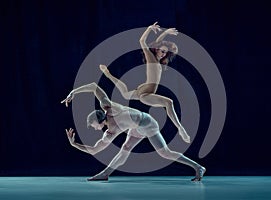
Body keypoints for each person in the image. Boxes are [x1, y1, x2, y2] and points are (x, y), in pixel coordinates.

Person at [61, 82, 206, 181]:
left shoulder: (109, 108)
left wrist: (73, 92)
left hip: (147, 123)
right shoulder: (110, 132)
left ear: (101, 121)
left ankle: (198, 167)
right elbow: (94, 150)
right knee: (125, 147)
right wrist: (74, 144)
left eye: (93, 125)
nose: (93, 128)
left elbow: (93, 86)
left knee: (164, 152)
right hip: (135, 128)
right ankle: (105, 174)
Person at [99, 22, 191, 143]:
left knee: (125, 94)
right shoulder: (151, 57)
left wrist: (165, 33)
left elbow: (159, 42)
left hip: (144, 89)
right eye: (161, 51)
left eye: (165, 52)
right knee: (169, 102)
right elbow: (142, 41)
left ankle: (108, 74)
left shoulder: (157, 58)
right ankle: (181, 129)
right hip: (146, 94)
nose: (163, 54)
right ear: (156, 50)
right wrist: (148, 29)